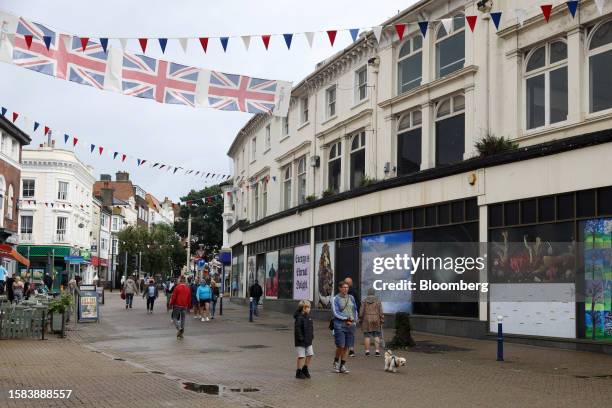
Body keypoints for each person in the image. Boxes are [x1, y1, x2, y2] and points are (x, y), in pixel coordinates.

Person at [331, 281, 358, 374]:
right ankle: (335, 362)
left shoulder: (351, 297)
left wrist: (354, 320)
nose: (346, 289)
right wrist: (346, 318)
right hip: (339, 325)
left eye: (347, 287)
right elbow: (335, 312)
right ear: (340, 288)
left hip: (350, 325)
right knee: (341, 345)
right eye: (344, 287)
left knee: (347, 346)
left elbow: (354, 309)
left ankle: (342, 365)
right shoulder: (335, 299)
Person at [359, 288, 384, 357]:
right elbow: (381, 311)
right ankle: (377, 352)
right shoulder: (378, 301)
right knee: (376, 335)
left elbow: (361, 312)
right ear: (374, 293)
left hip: (366, 319)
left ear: (368, 293)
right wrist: (382, 319)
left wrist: (360, 318)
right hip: (376, 319)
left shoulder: (364, 301)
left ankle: (367, 352)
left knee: (367, 336)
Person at [294, 300, 314, 379]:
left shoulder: (309, 317)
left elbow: (311, 328)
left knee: (310, 354)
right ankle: (298, 371)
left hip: (308, 340)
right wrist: (300, 338)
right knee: (301, 356)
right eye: (308, 307)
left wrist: (312, 336)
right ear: (303, 308)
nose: (309, 309)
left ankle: (305, 368)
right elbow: (297, 329)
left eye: (309, 307)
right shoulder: (299, 318)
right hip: (301, 341)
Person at [344, 277, 360, 357]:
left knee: (345, 331)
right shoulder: (354, 292)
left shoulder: (342, 293)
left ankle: (346, 348)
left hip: (344, 316)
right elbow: (358, 304)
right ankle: (351, 349)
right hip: (352, 316)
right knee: (351, 333)